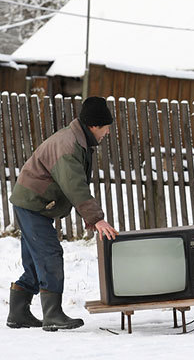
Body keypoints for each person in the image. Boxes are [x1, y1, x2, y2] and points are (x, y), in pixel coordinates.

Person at [6, 96, 119, 331]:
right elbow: (74, 186)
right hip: (32, 202)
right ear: (94, 125)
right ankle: (53, 314)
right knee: (49, 254)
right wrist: (96, 219)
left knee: (35, 260)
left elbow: (72, 184)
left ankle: (18, 313)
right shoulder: (69, 145)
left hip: (33, 202)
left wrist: (89, 216)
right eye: (106, 127)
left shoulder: (78, 140)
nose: (108, 132)